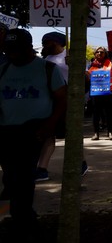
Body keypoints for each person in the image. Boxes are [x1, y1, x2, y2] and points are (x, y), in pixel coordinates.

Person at [0, 29, 67, 235]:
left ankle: (23, 221)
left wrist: (49, 125)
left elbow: (62, 99)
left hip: (33, 130)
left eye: (17, 50)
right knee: (11, 177)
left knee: (23, 176)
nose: (13, 55)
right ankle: (22, 217)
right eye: (9, 50)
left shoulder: (47, 69)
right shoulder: (3, 70)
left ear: (29, 48)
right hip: (6, 130)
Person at [35, 31, 69, 181]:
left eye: (46, 42)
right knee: (49, 134)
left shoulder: (69, 56)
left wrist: (75, 65)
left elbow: (86, 76)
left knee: (70, 134)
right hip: (50, 102)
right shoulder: (45, 60)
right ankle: (42, 168)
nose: (43, 45)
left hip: (67, 101)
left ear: (55, 42)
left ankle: (80, 163)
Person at [86, 45, 112, 140]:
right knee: (96, 114)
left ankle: (110, 132)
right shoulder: (90, 65)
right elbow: (87, 78)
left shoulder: (111, 64)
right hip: (96, 94)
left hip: (110, 93)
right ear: (95, 54)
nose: (100, 53)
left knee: (110, 113)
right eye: (98, 52)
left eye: (102, 52)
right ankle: (96, 133)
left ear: (105, 54)